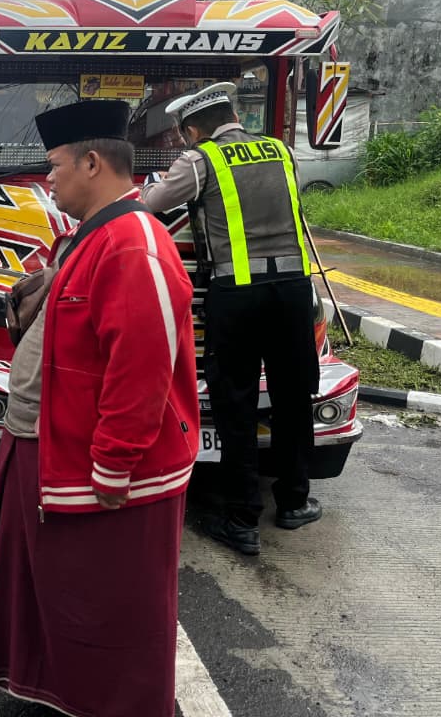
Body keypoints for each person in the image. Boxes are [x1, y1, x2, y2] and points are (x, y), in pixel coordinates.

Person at [0, 98, 198, 717]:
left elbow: (143, 365)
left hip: (97, 469)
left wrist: (112, 466)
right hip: (52, 450)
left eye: (54, 166)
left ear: (92, 162)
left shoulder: (132, 243)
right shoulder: (93, 234)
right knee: (64, 596)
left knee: (110, 608)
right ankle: (74, 695)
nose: (48, 180)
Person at [141, 82, 322, 556]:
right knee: (292, 397)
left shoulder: (202, 160)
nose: (184, 143)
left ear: (194, 128)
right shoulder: (281, 150)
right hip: (294, 293)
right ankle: (293, 503)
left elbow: (148, 207)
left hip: (237, 297)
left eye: (184, 135)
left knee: (236, 403)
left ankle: (242, 520)